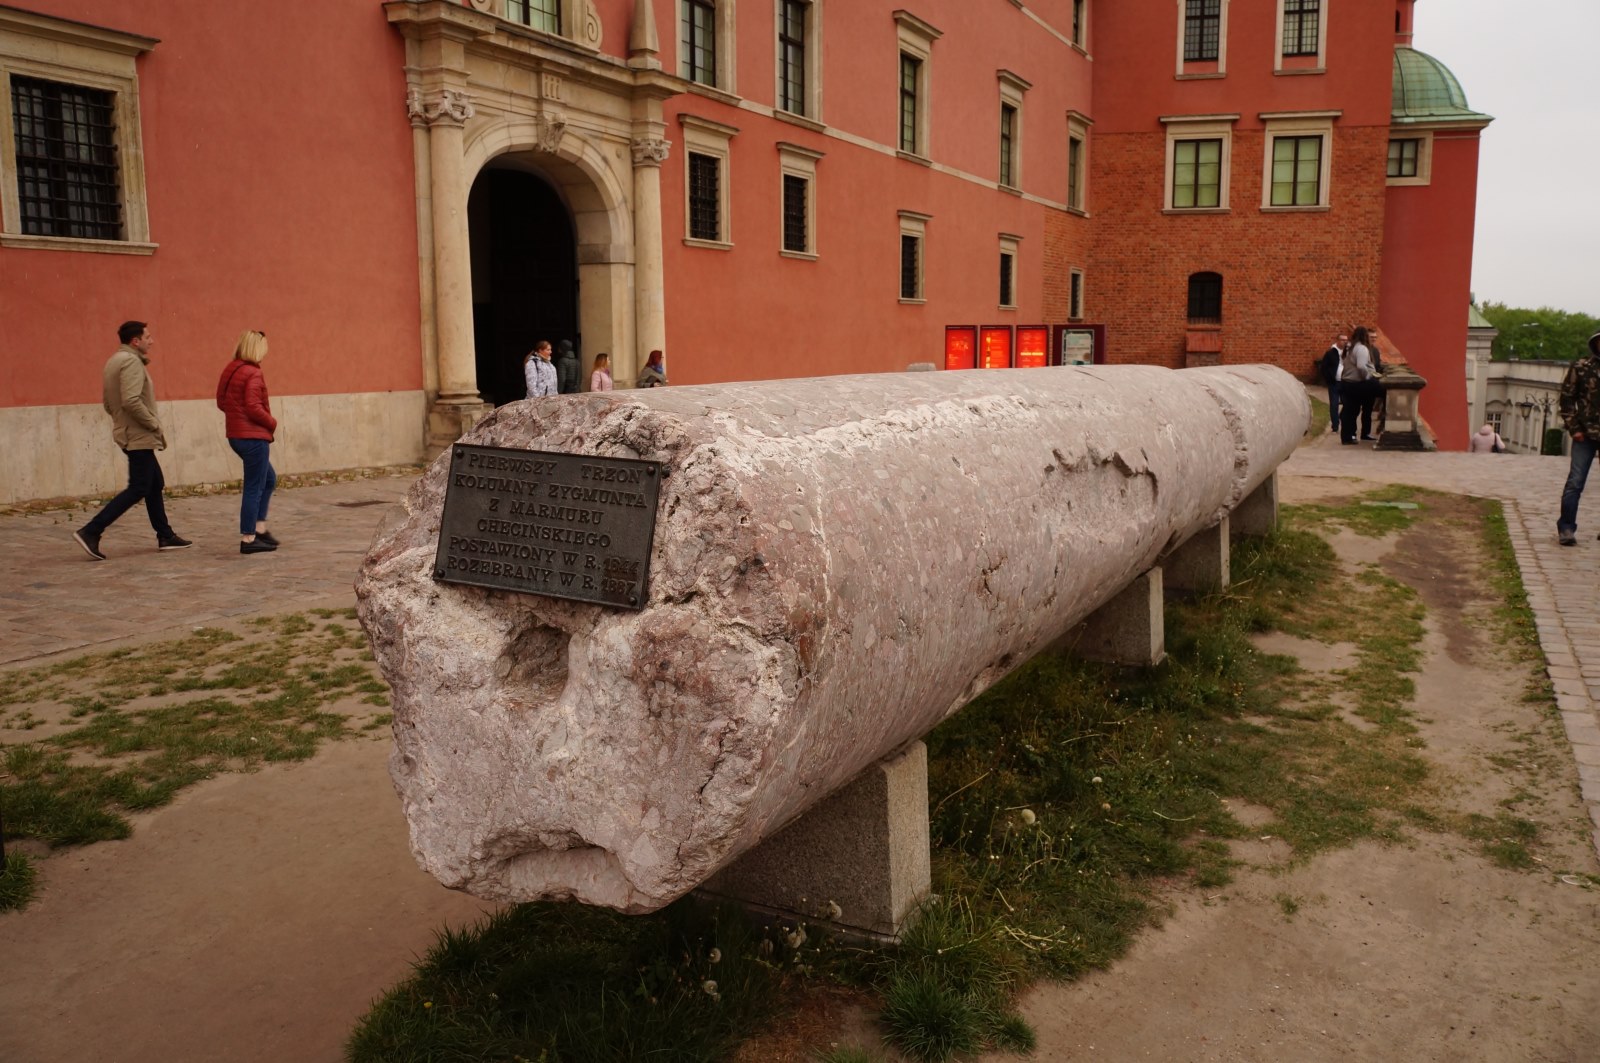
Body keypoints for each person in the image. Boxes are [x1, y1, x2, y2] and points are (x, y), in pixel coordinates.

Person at [72, 321, 192, 561]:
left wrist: (122, 423)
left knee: (154, 482)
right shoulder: (131, 362)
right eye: (148, 337)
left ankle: (165, 535)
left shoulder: (114, 361)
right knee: (139, 487)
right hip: (138, 435)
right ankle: (91, 531)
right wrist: (152, 423)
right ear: (135, 341)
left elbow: (108, 403)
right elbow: (131, 400)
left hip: (129, 432)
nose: (152, 340)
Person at [217, 329, 280, 554]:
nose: (266, 351)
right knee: (254, 486)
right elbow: (254, 407)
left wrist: (237, 419)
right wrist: (271, 422)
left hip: (236, 435)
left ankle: (260, 529)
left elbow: (222, 402)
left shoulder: (231, 369)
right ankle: (249, 538)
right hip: (253, 436)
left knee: (269, 479)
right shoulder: (253, 373)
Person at [1556, 331, 1600, 546]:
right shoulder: (1581, 367)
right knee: (1575, 482)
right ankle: (1566, 528)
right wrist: (1575, 428)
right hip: (1585, 434)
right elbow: (1566, 399)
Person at [1338, 326, 1378, 445]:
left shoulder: (1349, 346)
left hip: (1346, 382)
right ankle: (1350, 436)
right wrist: (1367, 377)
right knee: (1352, 411)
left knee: (1349, 411)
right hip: (1355, 383)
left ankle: (1348, 436)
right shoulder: (1361, 348)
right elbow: (1361, 366)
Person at [1319, 332, 1347, 432]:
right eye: (1342, 340)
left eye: (1346, 340)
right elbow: (1323, 367)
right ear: (1337, 341)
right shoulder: (1330, 353)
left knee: (1347, 403)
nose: (1344, 342)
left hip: (1345, 382)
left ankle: (1340, 418)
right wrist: (1329, 379)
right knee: (1334, 404)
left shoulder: (1348, 352)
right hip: (1334, 383)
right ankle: (1335, 425)